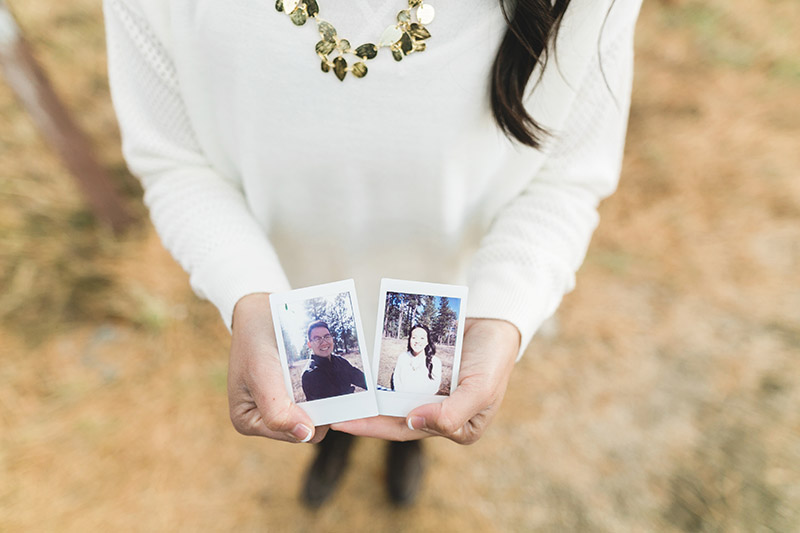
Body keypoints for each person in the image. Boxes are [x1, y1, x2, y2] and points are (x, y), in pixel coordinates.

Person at [103, 0, 643, 508]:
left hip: (450, 302)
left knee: (418, 400)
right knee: (326, 395)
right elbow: (175, 159)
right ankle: (333, 442)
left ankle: (408, 442)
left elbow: (565, 178)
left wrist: (501, 316)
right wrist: (247, 292)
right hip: (294, 293)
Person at [301, 320, 367, 401]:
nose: (324, 342)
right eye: (317, 339)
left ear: (332, 339)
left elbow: (363, 380)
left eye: (327, 336)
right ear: (309, 344)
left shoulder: (340, 361)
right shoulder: (310, 375)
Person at [392, 325, 442, 395]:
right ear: (410, 340)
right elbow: (397, 380)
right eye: (414, 337)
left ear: (427, 341)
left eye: (422, 338)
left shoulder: (435, 362)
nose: (417, 341)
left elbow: (434, 387)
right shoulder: (403, 357)